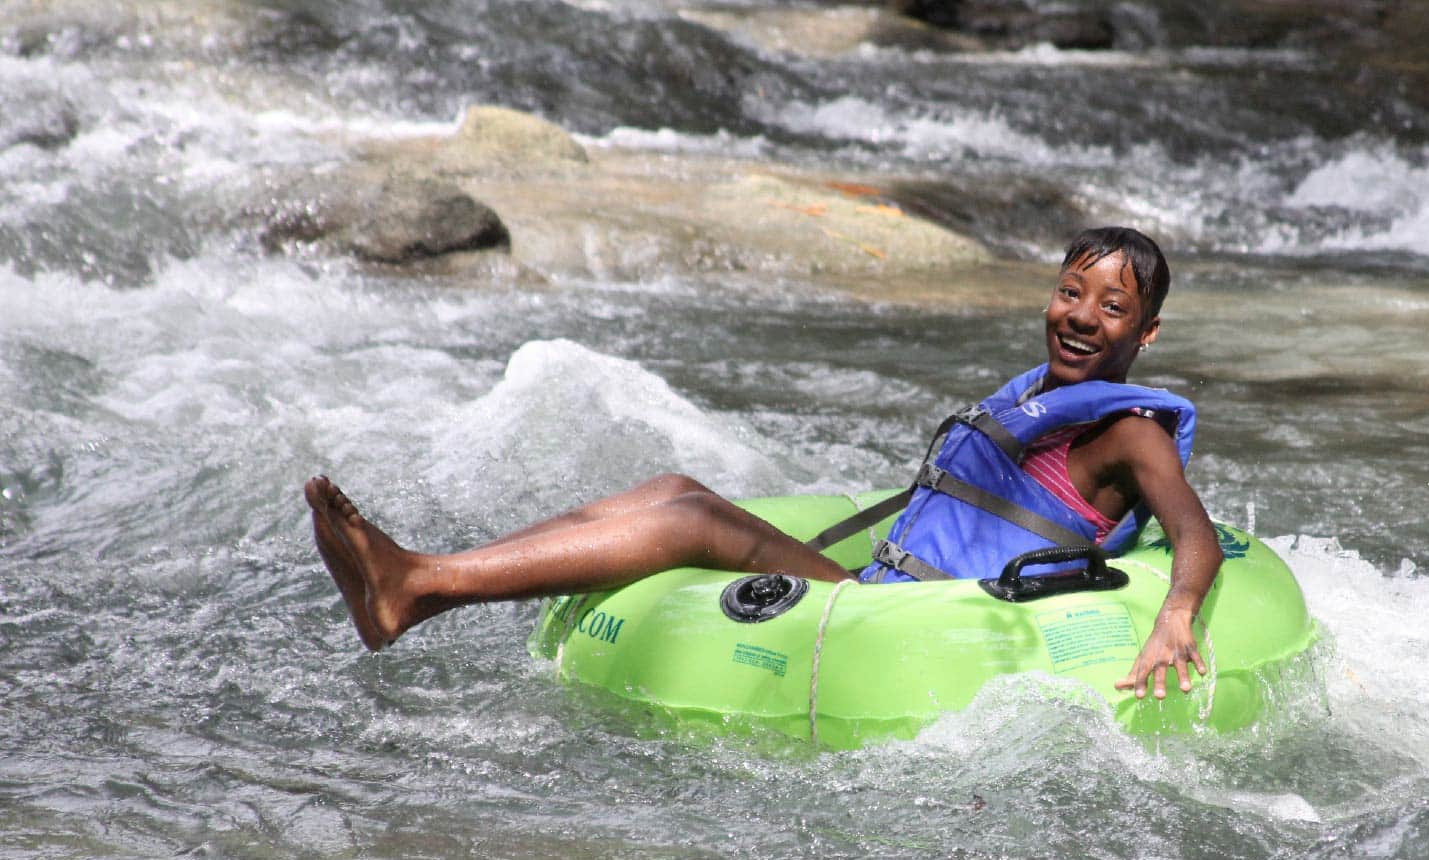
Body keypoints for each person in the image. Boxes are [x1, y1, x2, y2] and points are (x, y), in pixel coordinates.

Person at [306, 226, 1222, 699]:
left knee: (697, 523)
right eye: (1069, 292)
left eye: (1109, 308)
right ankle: (422, 579)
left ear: (1146, 333)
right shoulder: (1044, 397)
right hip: (881, 589)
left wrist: (1176, 613)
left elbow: (1194, 533)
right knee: (674, 489)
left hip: (911, 623)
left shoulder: (1129, 432)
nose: (1077, 316)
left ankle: (420, 587)